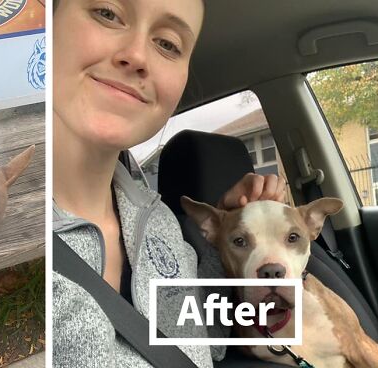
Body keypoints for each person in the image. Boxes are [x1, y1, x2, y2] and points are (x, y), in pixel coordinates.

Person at [52, 0, 288, 367]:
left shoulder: (157, 218)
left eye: (168, 44)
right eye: (107, 13)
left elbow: (205, 339)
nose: (136, 55)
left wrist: (227, 230)